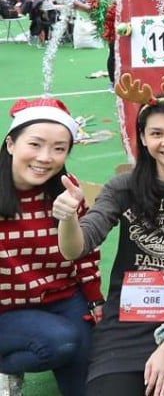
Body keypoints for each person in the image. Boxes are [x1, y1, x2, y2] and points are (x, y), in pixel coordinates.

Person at [54, 73, 164, 396]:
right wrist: (67, 219)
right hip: (124, 322)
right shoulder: (123, 186)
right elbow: (78, 245)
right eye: (157, 133)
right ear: (144, 140)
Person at [0, 99, 102, 396]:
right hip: (5, 308)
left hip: (62, 297)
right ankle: (6, 366)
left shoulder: (67, 191)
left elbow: (84, 256)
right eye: (35, 144)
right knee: (61, 341)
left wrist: (96, 301)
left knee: (89, 382)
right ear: (10, 144)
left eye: (59, 148)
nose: (45, 158)